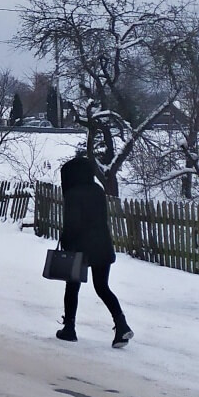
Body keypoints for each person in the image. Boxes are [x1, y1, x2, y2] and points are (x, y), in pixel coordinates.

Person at [57, 146, 133, 347]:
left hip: (80, 247)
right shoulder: (97, 190)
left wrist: (66, 241)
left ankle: (69, 328)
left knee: (72, 287)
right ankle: (121, 324)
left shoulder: (73, 194)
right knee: (102, 287)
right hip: (102, 245)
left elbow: (72, 224)